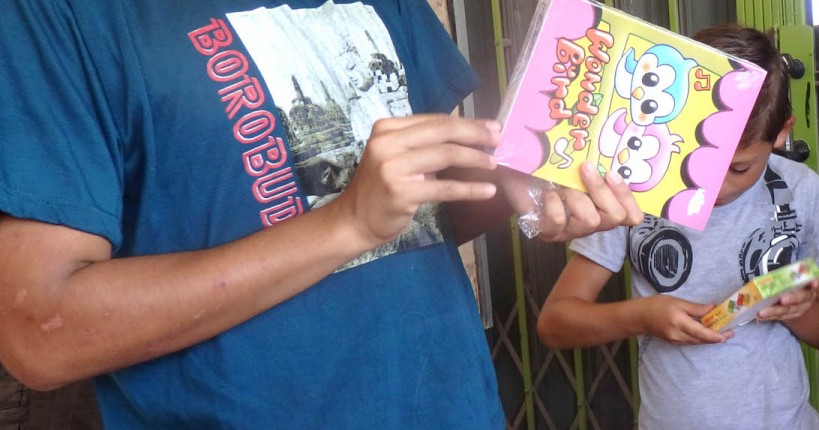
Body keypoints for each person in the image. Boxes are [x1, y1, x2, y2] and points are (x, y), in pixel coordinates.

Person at [0, 0, 641, 428]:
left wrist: (524, 188)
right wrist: (346, 223)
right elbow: (41, 338)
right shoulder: (57, 16)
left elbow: (417, 212)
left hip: (455, 406)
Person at [535, 24, 819, 430]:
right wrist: (642, 316)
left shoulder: (802, 190)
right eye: (696, 159)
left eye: (739, 168)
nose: (713, 186)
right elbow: (555, 323)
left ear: (782, 132)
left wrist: (794, 311)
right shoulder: (632, 190)